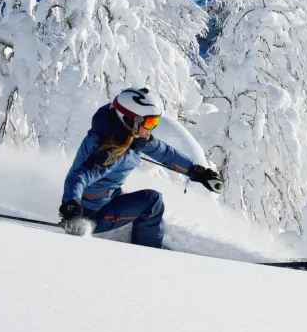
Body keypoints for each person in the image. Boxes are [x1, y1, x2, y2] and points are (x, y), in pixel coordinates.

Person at [59, 87, 222, 248]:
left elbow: (164, 153)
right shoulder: (109, 150)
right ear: (130, 120)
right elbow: (78, 177)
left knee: (148, 199)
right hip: (91, 214)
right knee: (152, 202)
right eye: (150, 122)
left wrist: (197, 172)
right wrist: (71, 206)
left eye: (156, 122)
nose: (152, 128)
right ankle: (149, 252)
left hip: (108, 199)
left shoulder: (130, 137)